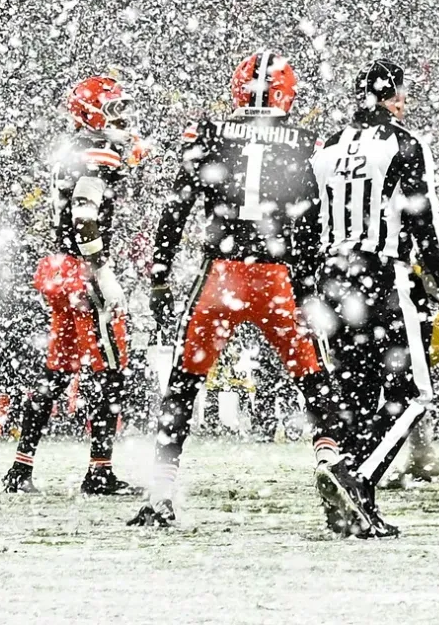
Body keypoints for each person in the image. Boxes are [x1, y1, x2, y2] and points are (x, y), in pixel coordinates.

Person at [130, 51, 354, 529]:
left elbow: (176, 208)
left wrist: (161, 272)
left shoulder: (209, 134)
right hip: (277, 276)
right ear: (286, 92)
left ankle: (161, 491)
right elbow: (313, 222)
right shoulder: (301, 142)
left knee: (184, 384)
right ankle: (328, 459)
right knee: (314, 380)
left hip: (221, 276)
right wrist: (309, 284)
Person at [307, 59, 439, 536]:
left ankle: (356, 503)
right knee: (413, 394)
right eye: (400, 95)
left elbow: (307, 220)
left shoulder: (326, 146)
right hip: (380, 273)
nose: (404, 103)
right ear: (389, 96)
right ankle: (358, 478)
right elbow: (423, 216)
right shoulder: (404, 142)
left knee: (354, 392)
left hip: (332, 275)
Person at [1, 76, 148, 496]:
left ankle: (21, 467)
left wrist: (131, 149)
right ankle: (99, 472)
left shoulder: (72, 147)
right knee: (111, 371)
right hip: (83, 269)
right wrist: (101, 269)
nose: (122, 115)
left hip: (59, 266)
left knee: (57, 369)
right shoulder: (96, 154)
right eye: (114, 107)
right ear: (93, 112)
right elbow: (85, 210)